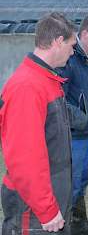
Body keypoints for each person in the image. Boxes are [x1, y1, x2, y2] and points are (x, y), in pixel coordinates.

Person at [0, 12, 76, 235]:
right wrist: (47, 209)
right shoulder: (28, 87)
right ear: (58, 41)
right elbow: (25, 156)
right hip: (32, 208)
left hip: (51, 192)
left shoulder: (47, 79)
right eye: (71, 46)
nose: (73, 52)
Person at [57, 15, 88, 235]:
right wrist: (84, 119)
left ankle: (79, 224)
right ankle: (66, 227)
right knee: (73, 181)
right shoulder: (70, 59)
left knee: (82, 179)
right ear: (85, 34)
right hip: (75, 135)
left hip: (86, 134)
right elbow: (60, 100)